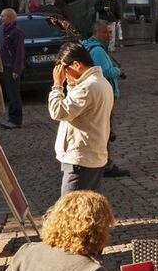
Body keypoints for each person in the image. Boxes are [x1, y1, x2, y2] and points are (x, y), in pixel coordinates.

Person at [48, 41, 114, 196]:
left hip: (81, 159)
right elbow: (77, 107)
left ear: (76, 65)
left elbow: (58, 111)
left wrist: (57, 86)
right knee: (86, 209)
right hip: (91, 156)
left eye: (64, 68)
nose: (62, 73)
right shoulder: (100, 82)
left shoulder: (87, 88)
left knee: (71, 212)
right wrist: (71, 83)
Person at [83, 21, 129, 179]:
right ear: (96, 33)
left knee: (104, 130)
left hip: (101, 94)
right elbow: (104, 71)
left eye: (110, 32)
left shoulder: (95, 47)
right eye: (105, 33)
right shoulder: (97, 50)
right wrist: (118, 70)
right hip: (104, 95)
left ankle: (100, 162)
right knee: (104, 131)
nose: (109, 36)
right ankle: (105, 164)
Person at [0, 8, 25, 130]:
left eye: (3, 16)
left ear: (9, 18)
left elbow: (20, 52)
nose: (1, 18)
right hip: (6, 66)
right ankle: (11, 118)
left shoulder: (16, 32)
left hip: (12, 67)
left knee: (14, 94)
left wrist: (16, 69)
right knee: (9, 93)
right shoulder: (5, 31)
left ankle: (16, 120)